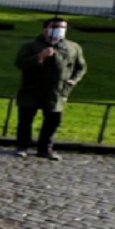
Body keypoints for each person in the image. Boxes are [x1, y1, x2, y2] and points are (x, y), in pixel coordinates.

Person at [14, 16, 87, 160]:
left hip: (57, 91)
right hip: (32, 89)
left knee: (53, 121)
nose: (60, 30)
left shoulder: (73, 47)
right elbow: (20, 63)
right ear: (45, 29)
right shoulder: (31, 45)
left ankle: (45, 148)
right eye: (55, 27)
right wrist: (39, 57)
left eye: (63, 27)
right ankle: (22, 146)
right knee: (25, 120)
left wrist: (73, 81)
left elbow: (81, 67)